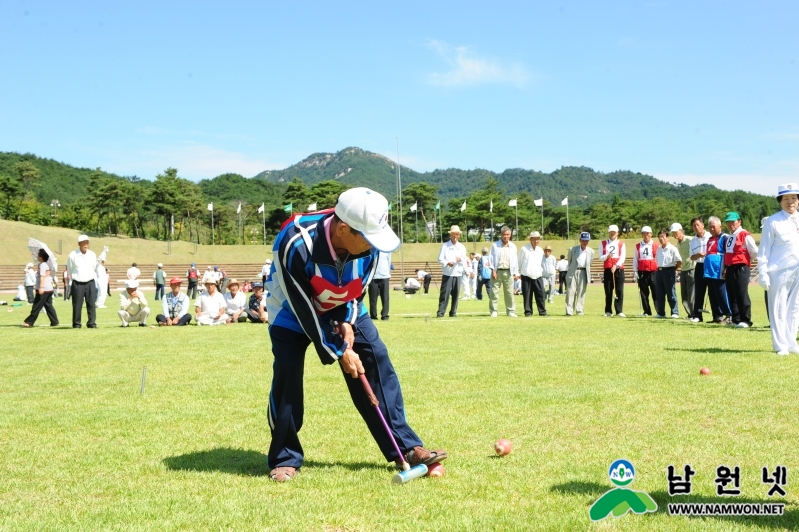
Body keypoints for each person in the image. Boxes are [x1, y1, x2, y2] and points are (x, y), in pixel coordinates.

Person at [264, 187, 446, 482]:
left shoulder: (370, 248)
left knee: (376, 358)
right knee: (287, 375)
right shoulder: (296, 242)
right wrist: (340, 350)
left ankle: (406, 446)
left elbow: (357, 292)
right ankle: (285, 457)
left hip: (341, 301)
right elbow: (302, 306)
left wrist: (347, 323)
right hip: (291, 309)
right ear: (343, 229)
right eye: (367, 238)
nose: (373, 246)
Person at [758, 183, 799, 354]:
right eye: (786, 199)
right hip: (778, 270)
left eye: (794, 198)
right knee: (778, 308)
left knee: (795, 307)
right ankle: (780, 345)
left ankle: (791, 342)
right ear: (780, 201)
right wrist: (762, 272)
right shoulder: (772, 221)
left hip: (797, 269)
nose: (790, 202)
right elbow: (764, 249)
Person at [722, 211, 758, 328]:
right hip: (730, 267)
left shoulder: (744, 235)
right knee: (731, 293)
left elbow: (754, 251)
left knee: (741, 293)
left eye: (733, 221)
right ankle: (736, 319)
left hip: (741, 267)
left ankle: (746, 320)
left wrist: (745, 261)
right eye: (728, 222)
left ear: (739, 222)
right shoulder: (729, 237)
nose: (731, 224)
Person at [66, 235, 107, 329]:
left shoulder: (92, 254)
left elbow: (94, 267)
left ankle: (91, 323)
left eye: (87, 242)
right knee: (77, 304)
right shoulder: (72, 255)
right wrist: (74, 279)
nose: (86, 244)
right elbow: (70, 268)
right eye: (84, 242)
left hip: (90, 282)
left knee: (91, 303)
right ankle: (76, 324)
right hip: (77, 282)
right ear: (79, 244)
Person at [704, 216, 732, 323]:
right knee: (712, 294)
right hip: (709, 271)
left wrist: (726, 267)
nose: (711, 229)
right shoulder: (710, 239)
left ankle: (729, 315)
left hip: (718, 269)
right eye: (709, 227)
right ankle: (717, 316)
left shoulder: (725, 237)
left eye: (713, 227)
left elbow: (727, 253)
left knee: (721, 293)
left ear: (720, 226)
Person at [21, 249, 58, 328]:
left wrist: (41, 287)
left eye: (38, 255)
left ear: (41, 257)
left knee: (36, 306)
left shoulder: (43, 265)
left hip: (44, 289)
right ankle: (54, 321)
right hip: (49, 289)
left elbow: (42, 277)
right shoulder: (47, 264)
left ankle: (29, 322)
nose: (37, 256)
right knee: (48, 306)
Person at [489, 226, 519, 318]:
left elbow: (515, 260)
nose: (506, 236)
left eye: (507, 235)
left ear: (510, 235)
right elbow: (491, 258)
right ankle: (494, 310)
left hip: (509, 271)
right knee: (494, 292)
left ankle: (510, 311)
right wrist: (493, 270)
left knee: (509, 292)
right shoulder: (495, 245)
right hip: (497, 271)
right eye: (504, 234)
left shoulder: (513, 246)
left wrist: (516, 273)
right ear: (501, 235)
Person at [437, 225, 467, 318]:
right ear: (450, 235)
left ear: (459, 235)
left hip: (457, 273)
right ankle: (441, 313)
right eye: (453, 234)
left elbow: (464, 259)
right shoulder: (445, 246)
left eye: (457, 234)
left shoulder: (462, 247)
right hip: (448, 273)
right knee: (444, 294)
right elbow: (440, 259)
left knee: (456, 294)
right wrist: (447, 263)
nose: (455, 236)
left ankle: (453, 312)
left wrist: (460, 259)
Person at [599, 224, 626, 317]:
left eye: (614, 232)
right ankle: (608, 311)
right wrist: (607, 256)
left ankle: (619, 311)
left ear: (617, 233)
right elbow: (600, 257)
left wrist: (616, 265)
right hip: (607, 270)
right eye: (611, 232)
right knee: (608, 290)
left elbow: (622, 257)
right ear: (608, 233)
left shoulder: (621, 244)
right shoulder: (603, 243)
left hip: (618, 269)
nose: (612, 234)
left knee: (619, 290)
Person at [565, 232, 594, 316]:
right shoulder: (572, 249)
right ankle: (569, 311)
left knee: (582, 292)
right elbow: (569, 261)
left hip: (584, 271)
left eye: (587, 241)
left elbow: (590, 263)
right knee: (570, 291)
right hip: (573, 271)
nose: (585, 242)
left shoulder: (591, 251)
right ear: (580, 240)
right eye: (583, 240)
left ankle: (580, 310)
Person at [518, 231, 547, 317]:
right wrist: (518, 272)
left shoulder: (540, 250)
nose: (536, 241)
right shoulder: (524, 249)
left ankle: (542, 311)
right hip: (526, 275)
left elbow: (541, 262)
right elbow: (519, 261)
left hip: (538, 275)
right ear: (530, 239)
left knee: (541, 294)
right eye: (534, 239)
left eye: (538, 239)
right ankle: (528, 312)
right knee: (527, 295)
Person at [670, 223, 695, 319]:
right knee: (684, 294)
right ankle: (689, 314)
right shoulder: (678, 243)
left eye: (676, 232)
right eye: (673, 233)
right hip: (683, 270)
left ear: (681, 230)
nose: (674, 234)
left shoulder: (690, 240)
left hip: (692, 269)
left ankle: (694, 314)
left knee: (692, 294)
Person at [632, 226, 659, 317]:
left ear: (651, 234)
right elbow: (635, 259)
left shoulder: (656, 245)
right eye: (644, 233)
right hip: (642, 272)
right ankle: (647, 311)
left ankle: (659, 311)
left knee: (656, 292)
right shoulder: (638, 246)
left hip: (654, 272)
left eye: (647, 233)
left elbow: (658, 258)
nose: (646, 235)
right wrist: (635, 271)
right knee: (643, 293)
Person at [655, 230, 681, 318]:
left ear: (667, 238)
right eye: (660, 237)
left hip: (669, 270)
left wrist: (674, 269)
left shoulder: (672, 248)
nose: (661, 239)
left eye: (663, 236)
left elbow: (679, 261)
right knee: (659, 293)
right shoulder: (658, 249)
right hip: (659, 271)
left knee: (671, 292)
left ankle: (675, 312)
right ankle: (661, 312)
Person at [688, 217, 710, 322]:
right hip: (700, 266)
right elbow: (691, 257)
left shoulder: (710, 236)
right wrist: (697, 255)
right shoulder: (692, 241)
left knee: (713, 291)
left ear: (703, 225)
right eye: (694, 226)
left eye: (698, 224)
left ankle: (717, 316)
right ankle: (697, 315)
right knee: (699, 292)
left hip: (710, 265)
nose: (696, 227)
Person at [368, 251, 391, 320]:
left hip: (384, 276)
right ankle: (373, 315)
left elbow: (389, 261)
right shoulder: (371, 250)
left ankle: (385, 315)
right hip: (373, 277)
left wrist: (387, 272)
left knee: (385, 297)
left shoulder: (387, 250)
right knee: (372, 298)